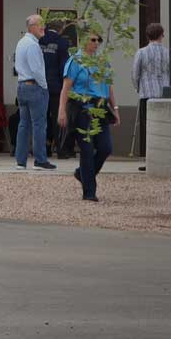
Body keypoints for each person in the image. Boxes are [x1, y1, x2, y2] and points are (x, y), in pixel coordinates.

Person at [60, 32, 116, 203]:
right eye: (93, 40)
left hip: (100, 108)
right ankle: (89, 191)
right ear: (84, 41)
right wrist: (62, 110)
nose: (96, 43)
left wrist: (115, 108)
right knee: (86, 149)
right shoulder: (75, 61)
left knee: (105, 147)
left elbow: (109, 86)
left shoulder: (102, 61)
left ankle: (82, 174)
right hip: (82, 108)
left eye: (98, 40)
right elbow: (66, 87)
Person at [12, 14, 56, 169]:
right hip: (34, 86)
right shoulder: (32, 45)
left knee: (23, 125)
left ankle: (20, 160)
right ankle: (40, 159)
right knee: (39, 124)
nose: (43, 27)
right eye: (40, 25)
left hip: (22, 86)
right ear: (31, 27)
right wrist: (44, 87)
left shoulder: (21, 42)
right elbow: (37, 69)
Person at [40, 19, 71, 157]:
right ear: (61, 29)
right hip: (55, 86)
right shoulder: (62, 42)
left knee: (42, 118)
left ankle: (44, 148)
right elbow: (64, 67)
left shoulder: (39, 40)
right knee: (58, 118)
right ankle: (61, 149)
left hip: (40, 84)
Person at [133, 23, 171, 104]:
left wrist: (138, 87)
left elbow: (135, 73)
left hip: (146, 93)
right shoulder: (168, 53)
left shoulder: (141, 52)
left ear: (148, 36)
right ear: (161, 35)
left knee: (146, 117)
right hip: (164, 93)